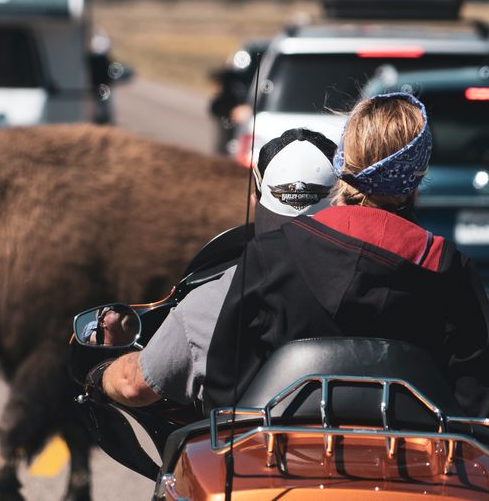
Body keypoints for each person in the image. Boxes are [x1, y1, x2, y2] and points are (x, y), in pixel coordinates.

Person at [202, 92, 489, 418]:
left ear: (343, 158)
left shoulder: (270, 254)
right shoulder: (446, 268)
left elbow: (225, 389)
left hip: (279, 458)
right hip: (413, 460)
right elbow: (477, 404)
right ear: (417, 177)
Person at [86, 128, 338, 409]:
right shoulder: (384, 288)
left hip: (249, 450)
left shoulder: (216, 298)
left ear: (255, 199)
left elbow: (134, 385)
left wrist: (101, 371)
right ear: (344, 201)